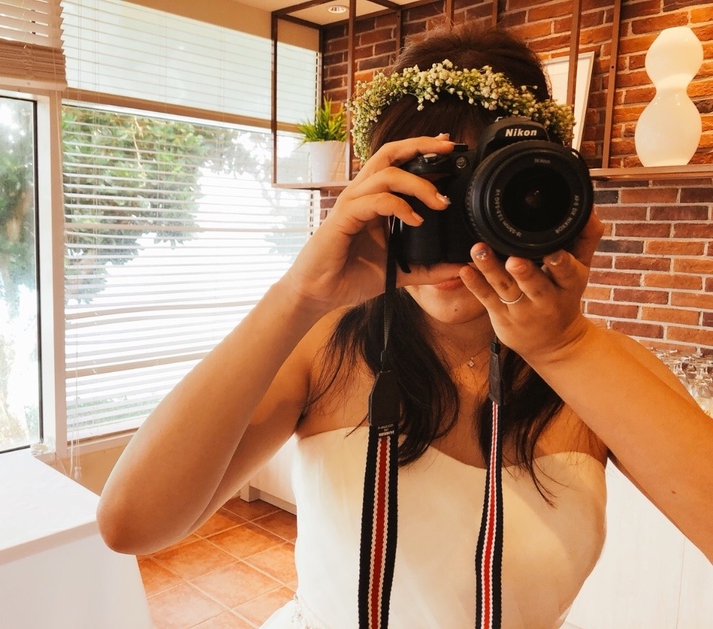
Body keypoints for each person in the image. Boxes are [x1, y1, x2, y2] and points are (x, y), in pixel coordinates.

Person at [96, 25, 713, 628]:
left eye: (487, 197)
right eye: (425, 195)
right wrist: (297, 296)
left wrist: (564, 347)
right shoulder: (327, 346)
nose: (452, 231)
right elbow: (132, 526)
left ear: (544, 196)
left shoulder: (595, 370)